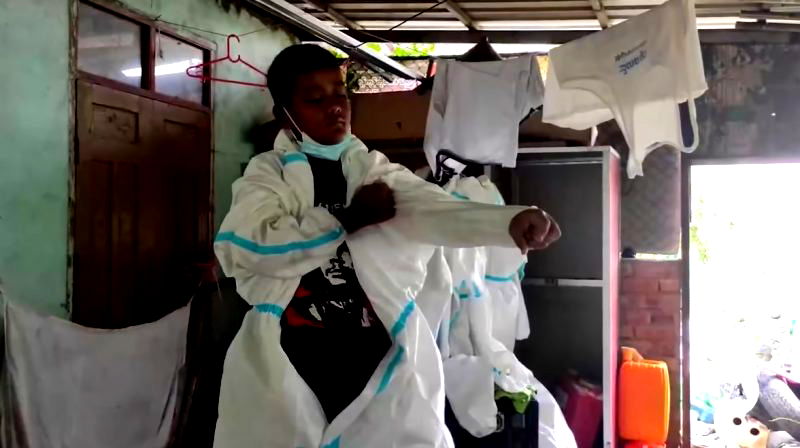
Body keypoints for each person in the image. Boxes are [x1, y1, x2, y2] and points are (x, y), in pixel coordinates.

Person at [213, 44, 561, 447]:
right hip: (294, 351)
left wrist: (509, 222)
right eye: (315, 98)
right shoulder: (267, 175)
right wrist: (347, 219)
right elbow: (249, 246)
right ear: (284, 114)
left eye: (340, 95)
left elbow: (435, 209)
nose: (335, 107)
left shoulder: (373, 170)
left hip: (375, 350)